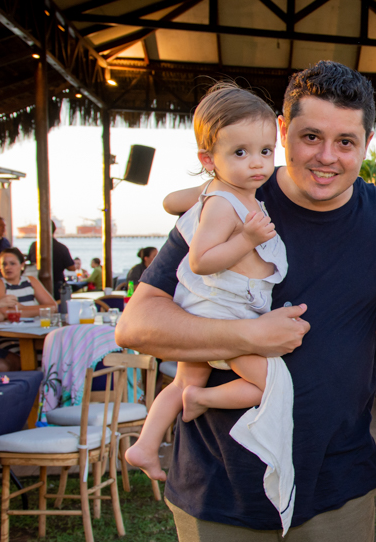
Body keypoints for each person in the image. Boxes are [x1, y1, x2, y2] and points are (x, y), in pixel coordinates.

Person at [115, 60, 376, 542]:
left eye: (346, 141)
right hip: (223, 477)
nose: (327, 156)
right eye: (310, 137)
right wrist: (248, 333)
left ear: (367, 144)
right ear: (281, 130)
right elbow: (137, 323)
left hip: (336, 476)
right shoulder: (229, 201)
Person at [123, 82, 289, 514]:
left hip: (206, 305)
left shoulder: (220, 192)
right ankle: (204, 401)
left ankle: (145, 443)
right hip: (221, 309)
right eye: (240, 153)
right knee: (269, 386)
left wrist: (206, 189)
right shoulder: (222, 205)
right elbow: (201, 260)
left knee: (182, 380)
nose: (257, 163)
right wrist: (248, 237)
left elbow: (172, 201)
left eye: (266, 151)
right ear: (207, 158)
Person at [0, 247, 57, 318]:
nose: (7, 267)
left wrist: (21, 308)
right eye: (4, 264)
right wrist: (39, 310)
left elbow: (54, 307)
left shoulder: (30, 281)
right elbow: (4, 313)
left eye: (12, 263)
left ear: (22, 265)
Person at [26, 222, 75, 297]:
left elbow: (30, 262)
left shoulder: (34, 246)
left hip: (37, 284)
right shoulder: (61, 248)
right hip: (57, 284)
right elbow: (71, 268)